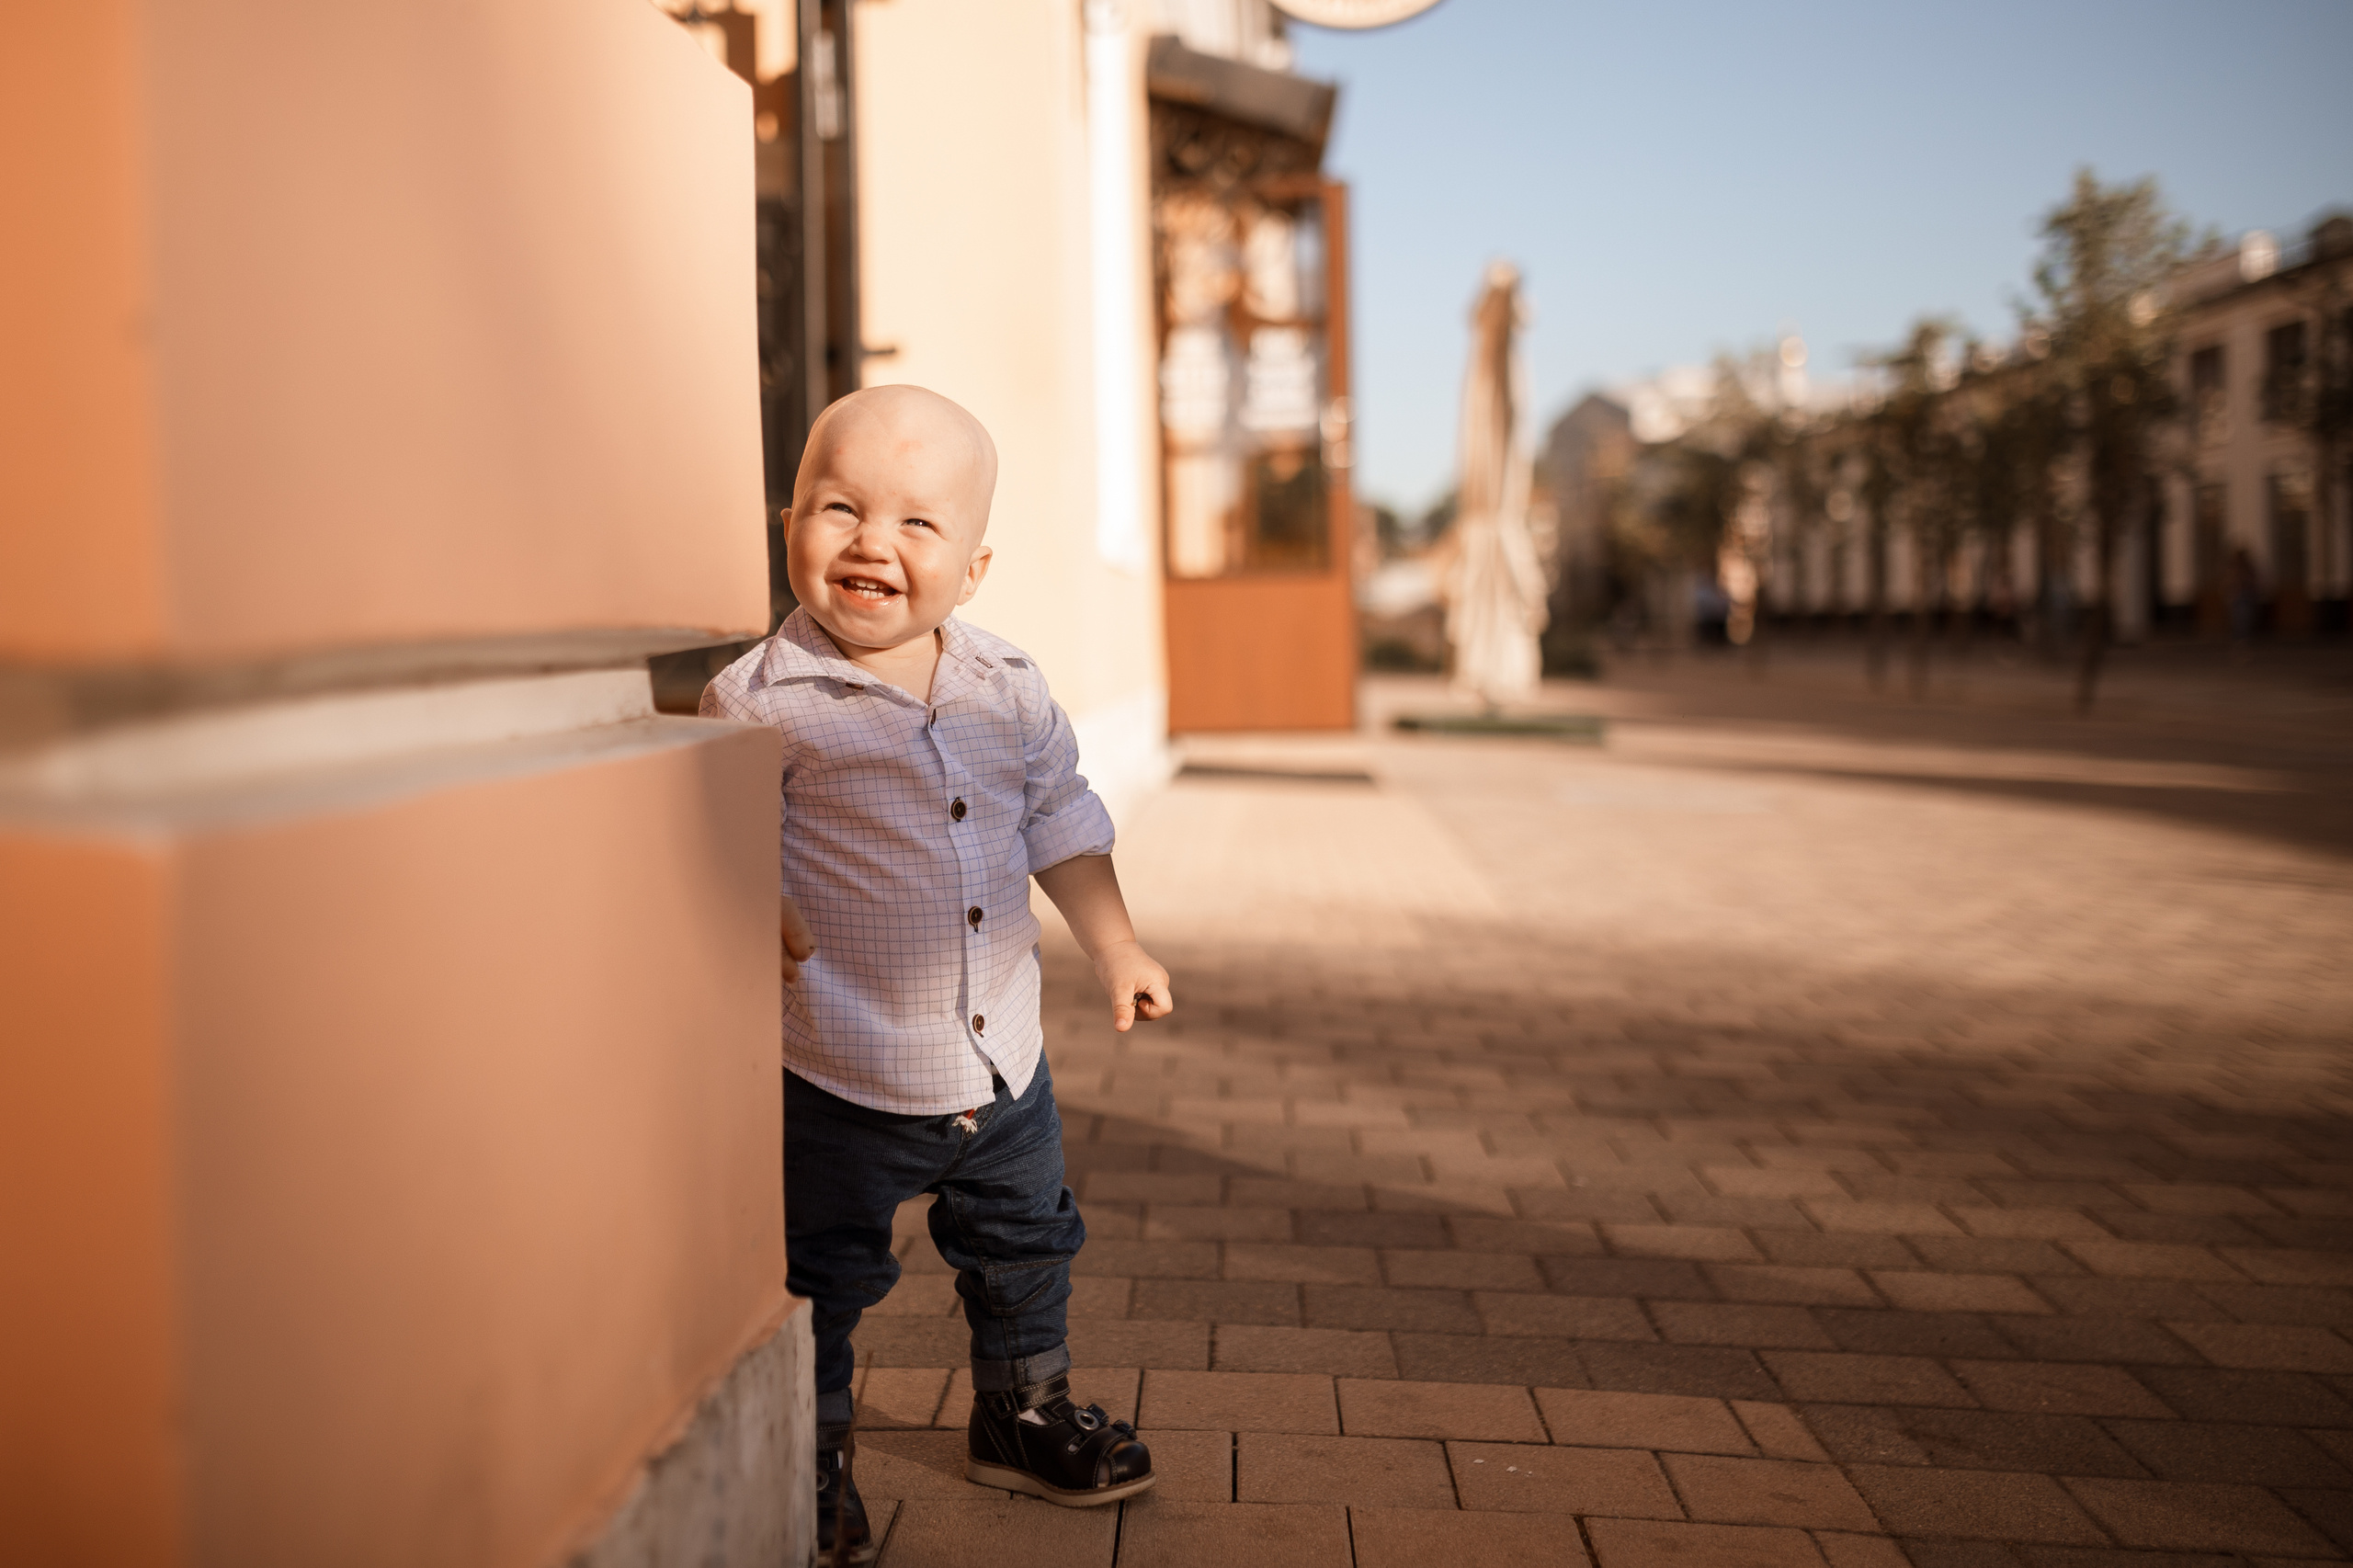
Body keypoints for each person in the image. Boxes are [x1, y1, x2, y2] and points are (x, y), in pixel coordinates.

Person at [701, 385, 1172, 1563]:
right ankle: (809, 1454)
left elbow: (1062, 817)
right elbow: (709, 838)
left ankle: (1019, 1412)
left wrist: (1114, 942)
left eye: (918, 524)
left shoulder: (1005, 684)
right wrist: (744, 896)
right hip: (840, 1068)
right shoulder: (755, 702)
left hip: (1003, 1057)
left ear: (973, 566)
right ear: (789, 521)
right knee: (824, 1275)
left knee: (1025, 1245)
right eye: (839, 507)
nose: (871, 540)